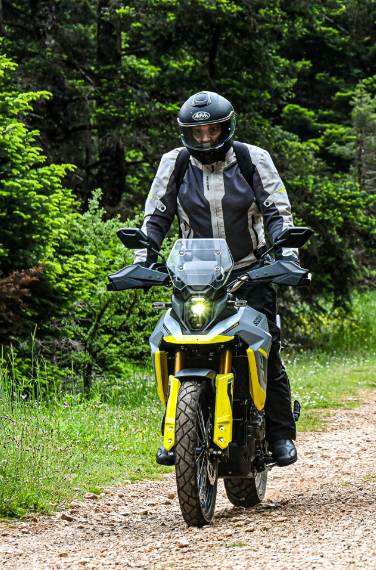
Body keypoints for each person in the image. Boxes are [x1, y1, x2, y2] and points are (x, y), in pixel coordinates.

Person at [135, 91, 299, 467]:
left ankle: (279, 432)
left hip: (249, 271)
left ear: (227, 128)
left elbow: (278, 212)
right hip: (195, 276)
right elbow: (156, 216)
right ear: (187, 134)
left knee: (266, 347)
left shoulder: (253, 159)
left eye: (212, 130)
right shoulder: (175, 163)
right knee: (175, 346)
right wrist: (142, 261)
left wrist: (287, 258)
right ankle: (176, 428)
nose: (206, 138)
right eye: (198, 132)